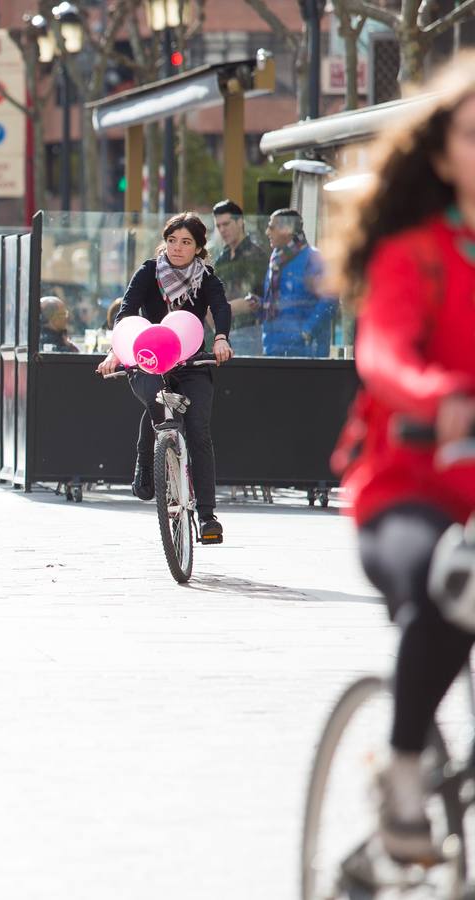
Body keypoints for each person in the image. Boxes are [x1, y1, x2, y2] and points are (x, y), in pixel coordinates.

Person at [324, 61, 475, 864]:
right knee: (454, 581)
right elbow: (384, 352)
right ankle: (405, 769)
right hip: (407, 491)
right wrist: (440, 393)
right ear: (444, 156)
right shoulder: (414, 256)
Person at [96, 211, 233, 543]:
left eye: (186, 242)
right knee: (158, 409)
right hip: (150, 357)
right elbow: (127, 310)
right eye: (172, 240)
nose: (177, 248)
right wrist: (118, 349)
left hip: (191, 361)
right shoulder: (148, 272)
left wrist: (221, 338)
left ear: (199, 247)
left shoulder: (208, 279)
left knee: (198, 430)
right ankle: (147, 458)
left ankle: (206, 516)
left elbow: (221, 307)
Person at [258, 208, 339, 357]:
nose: (267, 232)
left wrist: (307, 332)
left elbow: (330, 299)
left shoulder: (314, 258)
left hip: (306, 354)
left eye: (271, 227)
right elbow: (278, 303)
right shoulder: (275, 261)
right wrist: (258, 304)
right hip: (274, 351)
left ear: (287, 230)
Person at [210, 199, 268, 355]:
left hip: (250, 333)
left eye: (226, 224)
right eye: (218, 226)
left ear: (240, 221)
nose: (222, 230)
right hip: (223, 333)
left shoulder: (257, 256)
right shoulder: (222, 258)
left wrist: (224, 309)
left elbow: (258, 301)